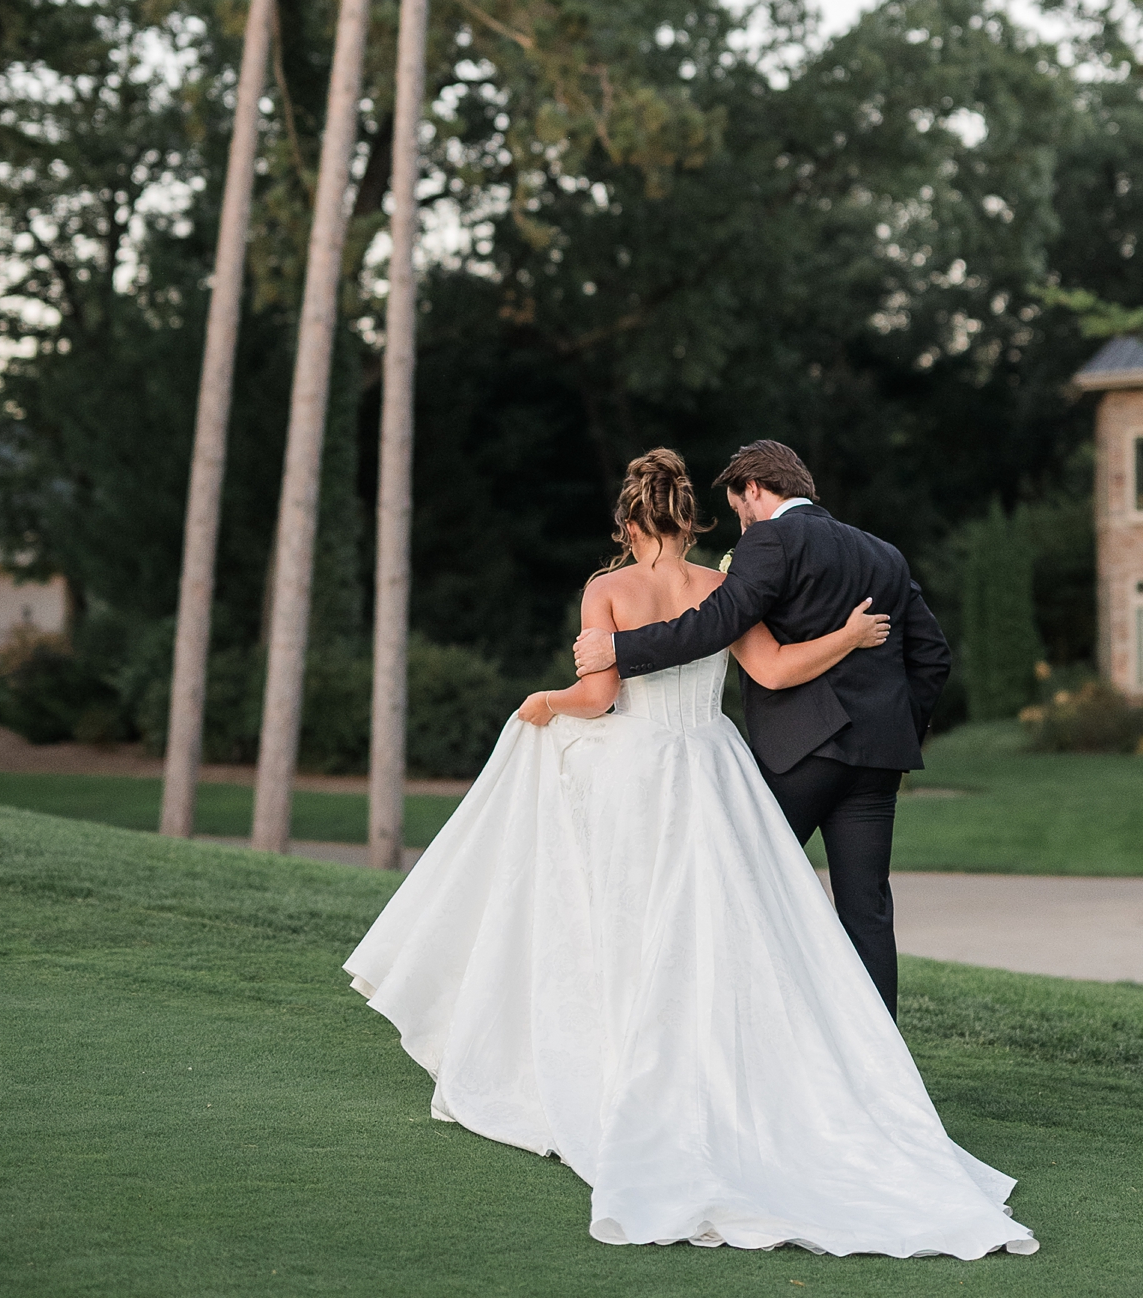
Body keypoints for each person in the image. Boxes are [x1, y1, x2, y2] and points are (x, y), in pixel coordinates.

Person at [344, 449, 1037, 1257]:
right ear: (691, 517)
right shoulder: (730, 581)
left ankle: (637, 1070)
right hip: (717, 766)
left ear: (629, 521)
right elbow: (777, 668)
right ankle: (845, 1074)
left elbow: (599, 698)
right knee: (762, 923)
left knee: (633, 925)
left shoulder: (609, 588)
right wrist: (850, 644)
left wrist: (548, 699)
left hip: (638, 773)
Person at [572, 438, 951, 1017]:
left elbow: (713, 624)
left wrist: (618, 648)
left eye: (738, 506)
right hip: (876, 763)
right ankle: (883, 1070)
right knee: (867, 910)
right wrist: (894, 735)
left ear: (752, 490)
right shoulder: (882, 553)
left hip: (799, 754)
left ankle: (741, 1031)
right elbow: (932, 657)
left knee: (741, 887)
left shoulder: (770, 539)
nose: (740, 525)